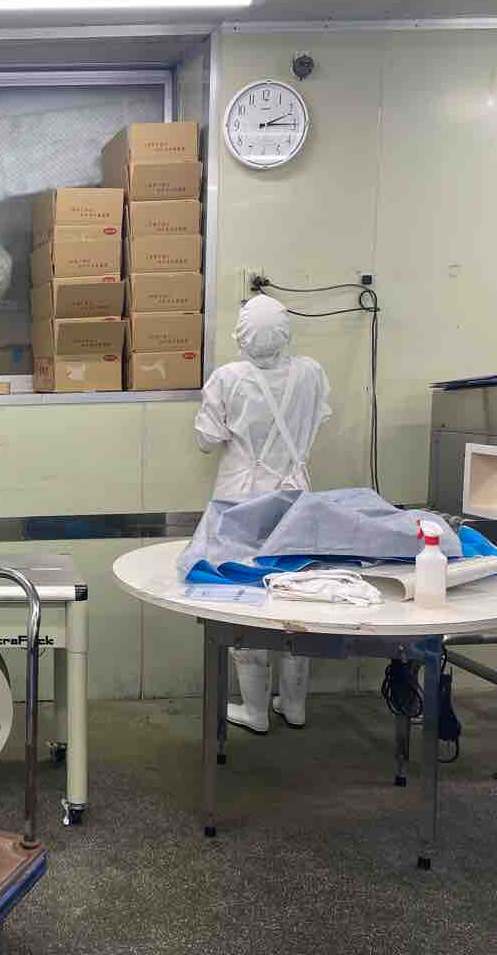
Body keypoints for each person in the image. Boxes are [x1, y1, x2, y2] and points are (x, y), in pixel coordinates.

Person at [193, 294, 332, 734]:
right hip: (295, 499)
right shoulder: (311, 373)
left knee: (245, 598)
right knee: (296, 597)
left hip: (243, 503)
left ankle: (254, 711)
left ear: (242, 334)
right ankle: (294, 706)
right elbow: (320, 419)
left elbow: (206, 440)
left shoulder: (228, 378)